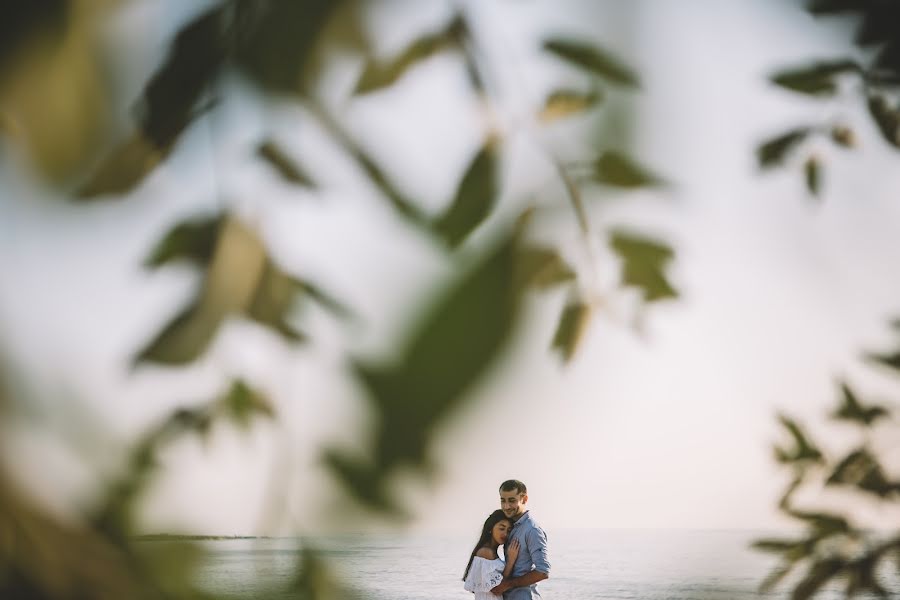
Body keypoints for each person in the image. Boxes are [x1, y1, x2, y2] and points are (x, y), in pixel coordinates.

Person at [490, 479, 550, 599]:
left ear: (524, 499)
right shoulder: (510, 527)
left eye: (512, 501)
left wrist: (508, 584)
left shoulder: (532, 530)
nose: (506, 506)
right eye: (503, 501)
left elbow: (543, 572)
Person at [463, 510, 521, 599]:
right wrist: (511, 561)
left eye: (509, 530)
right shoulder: (486, 552)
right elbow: (497, 589)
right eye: (501, 528)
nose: (505, 534)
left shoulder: (491, 551)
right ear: (491, 528)